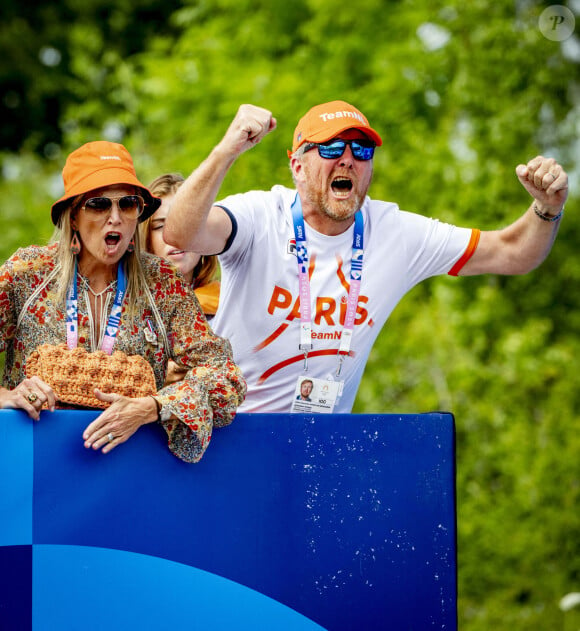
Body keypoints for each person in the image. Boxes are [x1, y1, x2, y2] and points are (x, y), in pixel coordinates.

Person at [163, 101, 568, 414]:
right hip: (231, 433)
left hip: (321, 450)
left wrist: (547, 208)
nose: (348, 159)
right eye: (332, 147)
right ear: (297, 166)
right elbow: (180, 232)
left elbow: (513, 252)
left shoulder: (395, 232)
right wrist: (227, 150)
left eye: (362, 150)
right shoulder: (260, 216)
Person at [0, 141, 246, 463]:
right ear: (73, 215)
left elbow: (225, 376)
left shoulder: (163, 283)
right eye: (99, 205)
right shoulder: (28, 273)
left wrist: (154, 406)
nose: (115, 217)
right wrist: (6, 396)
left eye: (128, 204)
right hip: (32, 470)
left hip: (131, 470)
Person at [140, 173, 220, 385]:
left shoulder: (229, 302)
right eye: (160, 226)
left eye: (187, 223)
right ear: (144, 237)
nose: (175, 236)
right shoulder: (122, 303)